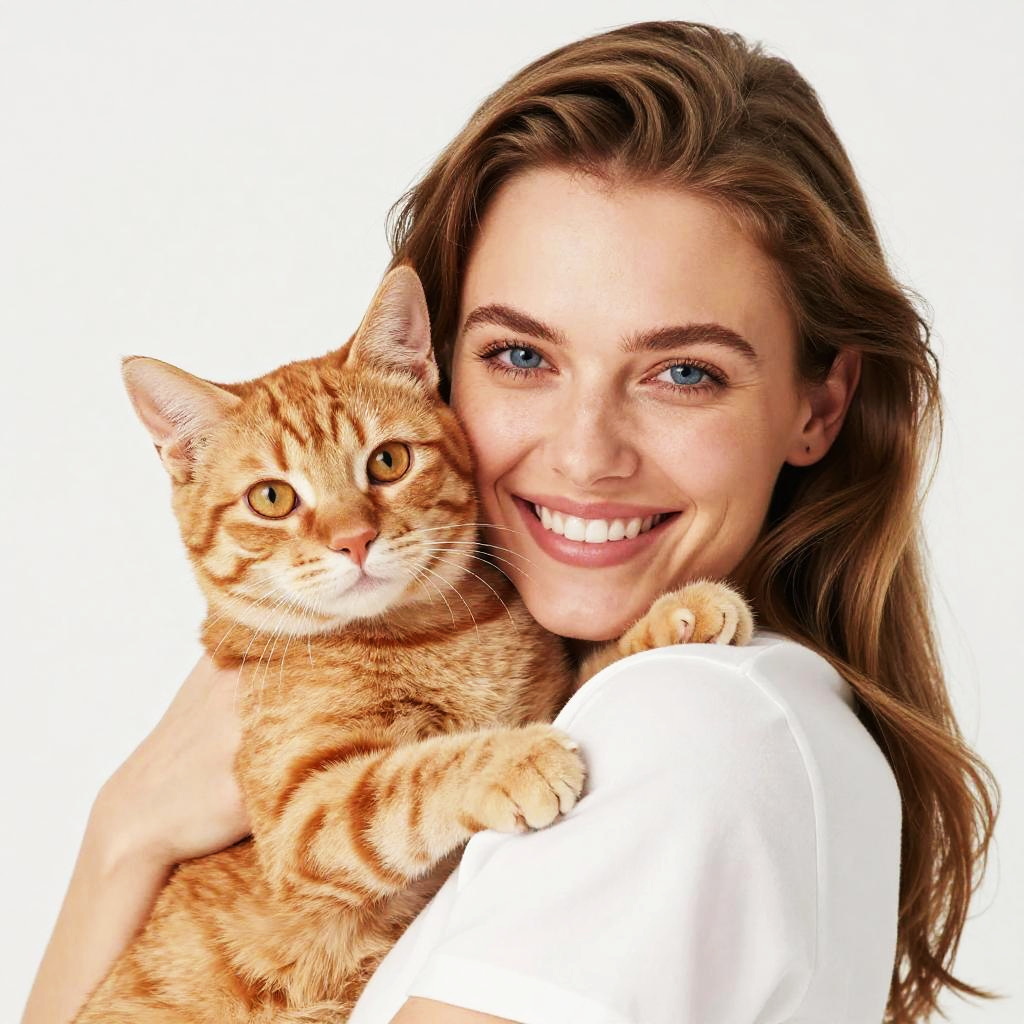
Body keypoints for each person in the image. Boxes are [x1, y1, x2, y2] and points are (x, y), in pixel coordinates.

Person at [21, 19, 1000, 1024]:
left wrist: (122, 839)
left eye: (682, 372)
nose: (584, 454)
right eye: (521, 357)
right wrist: (125, 831)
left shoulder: (693, 729)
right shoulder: (711, 710)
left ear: (819, 406)